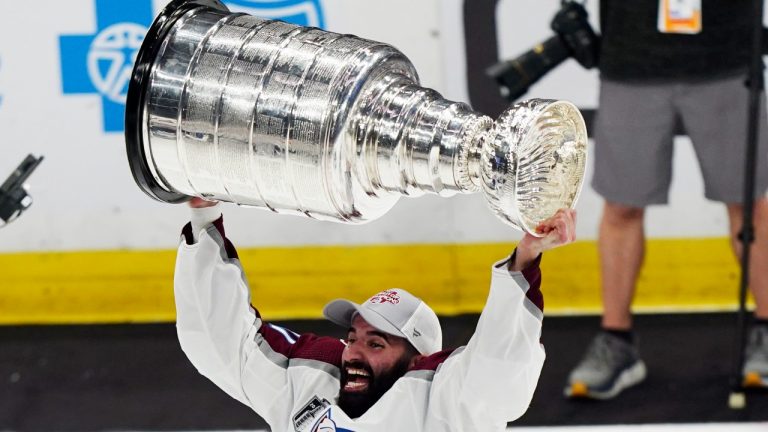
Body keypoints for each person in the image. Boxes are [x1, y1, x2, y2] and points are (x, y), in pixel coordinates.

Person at [174, 197, 576, 431]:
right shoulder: (309, 381)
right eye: (352, 338)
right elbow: (222, 339)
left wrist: (526, 257)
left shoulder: (444, 402)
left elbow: (498, 366)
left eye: (375, 343)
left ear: (416, 359)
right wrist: (204, 215)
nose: (353, 352)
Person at [565, 0, 768, 400]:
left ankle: (766, 328)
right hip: (630, 60)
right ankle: (617, 339)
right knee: (621, 205)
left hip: (726, 58)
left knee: (748, 206)